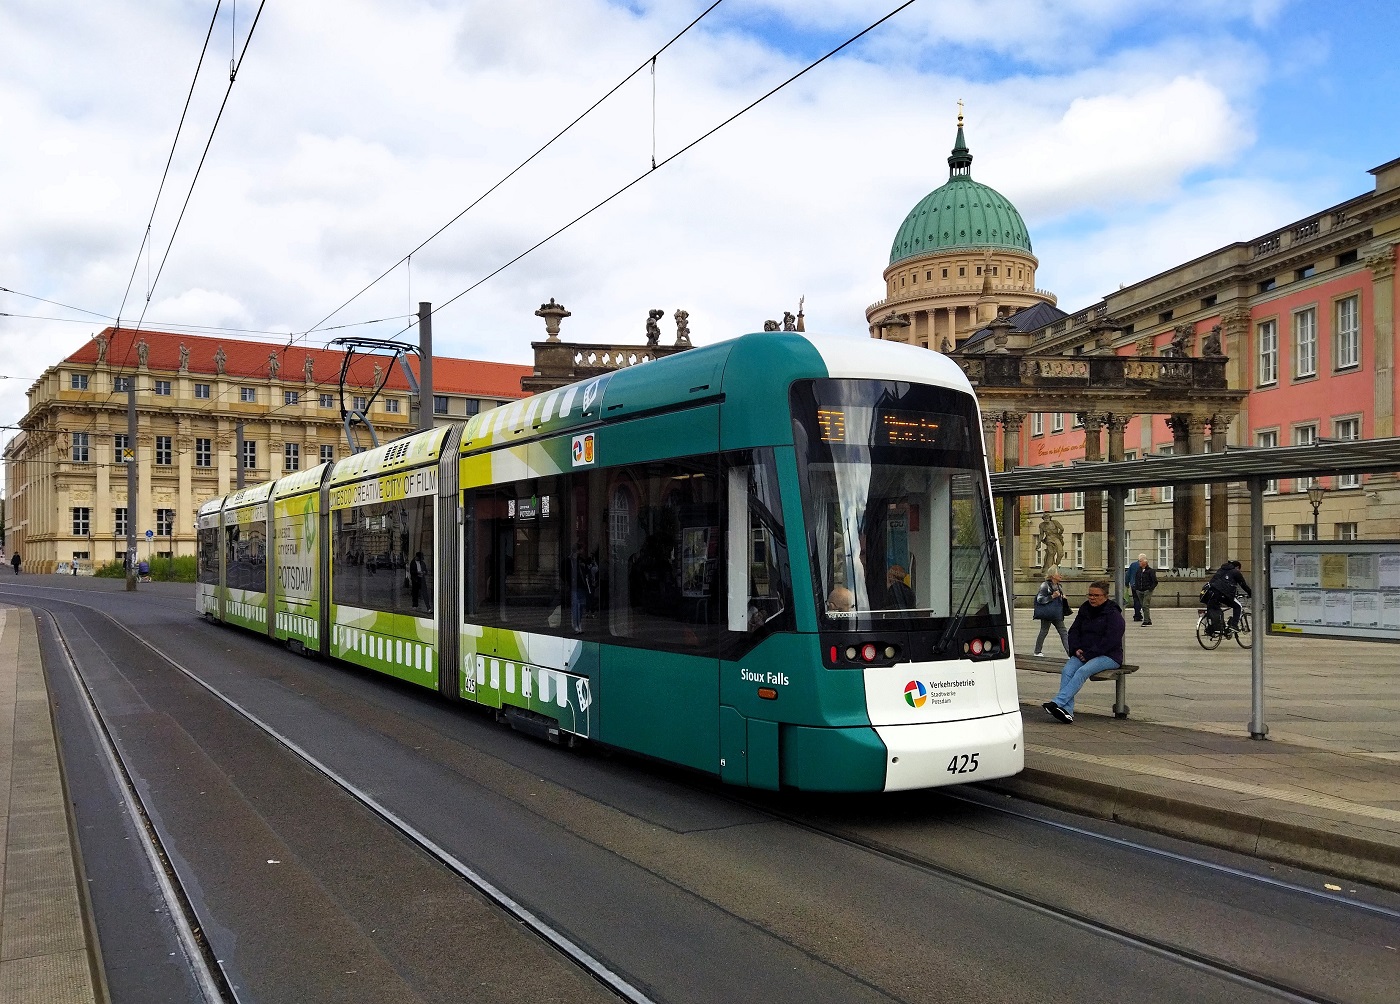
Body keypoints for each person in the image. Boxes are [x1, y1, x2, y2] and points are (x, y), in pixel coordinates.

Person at [1043, 580, 1124, 724]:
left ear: (1105, 596)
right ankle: (1067, 712)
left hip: (1108, 656)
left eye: (1096, 595)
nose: (1092, 598)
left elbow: (1110, 640)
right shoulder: (1085, 609)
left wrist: (1089, 654)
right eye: (1090, 595)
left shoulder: (1113, 614)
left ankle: (1057, 703)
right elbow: (1074, 631)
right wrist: (1076, 648)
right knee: (1067, 670)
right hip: (1083, 653)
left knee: (1082, 671)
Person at [1031, 568, 1069, 657]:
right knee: (1044, 631)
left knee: (1063, 632)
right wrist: (1052, 596)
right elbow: (1039, 599)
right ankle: (1037, 651)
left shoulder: (1059, 586)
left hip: (1056, 613)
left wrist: (1062, 597)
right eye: (1058, 573)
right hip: (1047, 613)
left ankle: (1070, 653)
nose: (1061, 575)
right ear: (1052, 576)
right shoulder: (1045, 585)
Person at [1206, 559, 1252, 630]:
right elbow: (1243, 585)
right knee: (1238, 606)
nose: (1239, 571)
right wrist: (1250, 593)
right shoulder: (1235, 572)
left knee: (1216, 609)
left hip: (1212, 593)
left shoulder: (1221, 570)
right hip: (1225, 594)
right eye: (1239, 569)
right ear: (1237, 567)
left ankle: (1218, 628)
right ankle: (1234, 625)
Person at [1131, 553, 1158, 626]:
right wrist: (1137, 588)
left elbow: (1154, 581)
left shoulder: (1151, 571)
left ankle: (1146, 620)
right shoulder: (1139, 570)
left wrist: (1150, 588)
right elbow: (1136, 579)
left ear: (1144, 562)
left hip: (1147, 590)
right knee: (1143, 605)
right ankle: (1148, 619)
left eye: (1140, 561)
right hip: (1139, 590)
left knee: (1145, 605)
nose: (1139, 563)